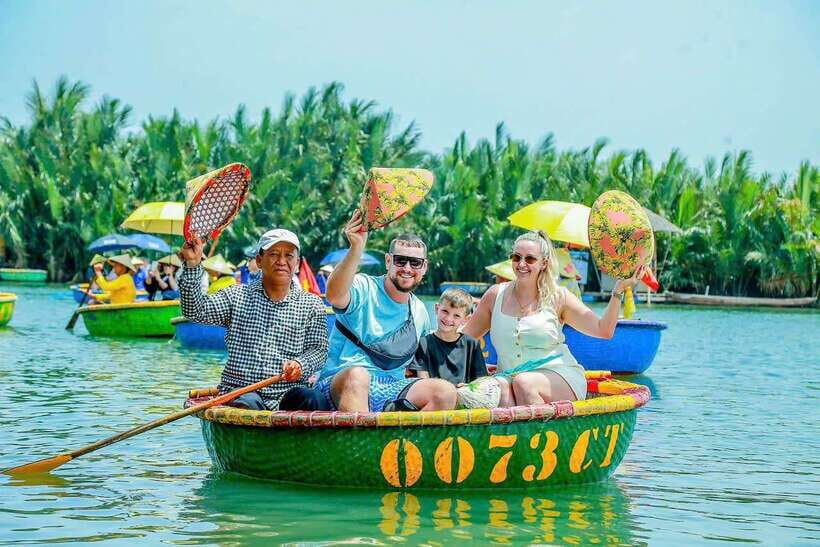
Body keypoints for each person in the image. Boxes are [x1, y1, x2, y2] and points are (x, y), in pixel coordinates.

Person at [463, 230, 644, 406]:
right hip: (509, 377)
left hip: (559, 376)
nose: (521, 264)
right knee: (500, 385)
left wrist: (618, 291)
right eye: (516, 257)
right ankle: (517, 436)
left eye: (530, 259)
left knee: (524, 383)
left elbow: (603, 330)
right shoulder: (494, 296)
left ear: (543, 263)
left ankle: (541, 435)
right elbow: (462, 340)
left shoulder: (559, 297)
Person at [315, 210, 457, 413]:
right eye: (400, 260)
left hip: (392, 388)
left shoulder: (419, 311)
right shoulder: (364, 286)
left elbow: (424, 361)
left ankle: (403, 442)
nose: (407, 268)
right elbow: (334, 296)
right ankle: (363, 444)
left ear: (424, 267)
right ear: (388, 261)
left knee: (445, 392)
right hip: (341, 382)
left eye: (415, 263)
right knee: (358, 376)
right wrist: (356, 247)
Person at [179, 228, 329, 411]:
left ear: (297, 263)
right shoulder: (237, 296)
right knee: (246, 404)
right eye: (274, 254)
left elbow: (319, 350)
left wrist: (300, 364)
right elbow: (195, 311)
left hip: (288, 392)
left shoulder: (312, 304)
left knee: (314, 400)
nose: (282, 262)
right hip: (241, 391)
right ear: (259, 261)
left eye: (289, 256)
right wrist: (193, 264)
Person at [409, 288, 487, 386]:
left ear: (466, 319)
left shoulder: (472, 344)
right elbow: (423, 381)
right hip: (434, 395)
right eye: (445, 311)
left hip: (464, 396)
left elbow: (481, 381)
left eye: (457, 316)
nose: (449, 318)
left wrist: (468, 387)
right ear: (437, 309)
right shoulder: (423, 343)